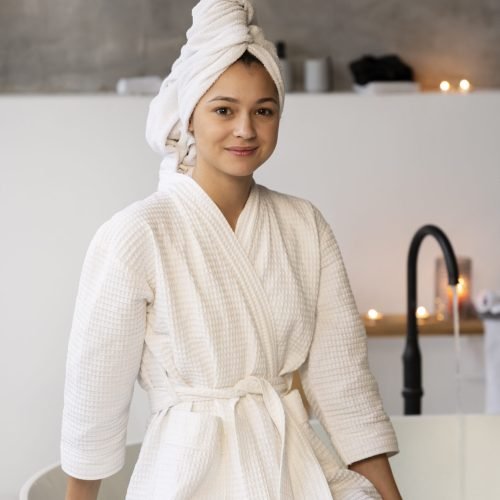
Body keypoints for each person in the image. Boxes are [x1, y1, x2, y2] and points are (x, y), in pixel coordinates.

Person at [61, 1, 401, 498]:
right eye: (224, 110)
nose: (246, 129)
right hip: (186, 476)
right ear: (190, 118)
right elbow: (95, 397)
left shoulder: (304, 225)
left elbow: (344, 382)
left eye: (264, 111)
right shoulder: (138, 233)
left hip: (294, 465)